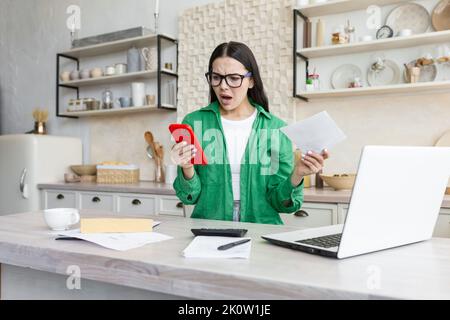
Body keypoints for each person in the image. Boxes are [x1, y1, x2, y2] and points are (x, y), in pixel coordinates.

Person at [171, 41, 329, 224]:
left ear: (251, 80)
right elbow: (190, 196)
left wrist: (297, 174)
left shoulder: (276, 129)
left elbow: (282, 203)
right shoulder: (194, 123)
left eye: (234, 78)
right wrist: (187, 167)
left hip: (261, 231)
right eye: (216, 77)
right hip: (209, 228)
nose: (223, 86)